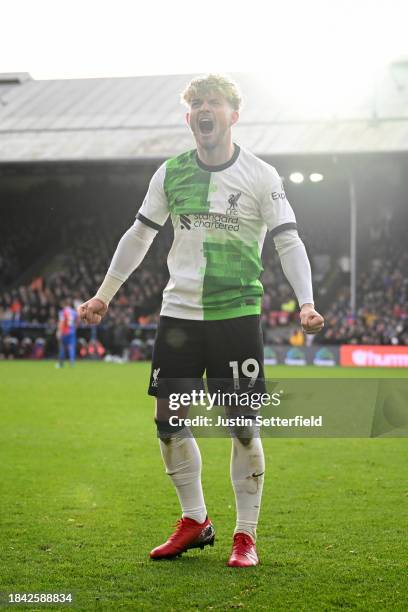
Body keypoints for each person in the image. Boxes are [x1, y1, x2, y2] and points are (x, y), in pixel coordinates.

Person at [77, 74, 324, 567]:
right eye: (196, 104)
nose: (204, 110)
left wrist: (306, 302)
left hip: (236, 315)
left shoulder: (261, 175)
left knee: (242, 427)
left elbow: (287, 241)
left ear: (234, 114)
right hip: (179, 316)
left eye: (214, 102)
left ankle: (245, 535)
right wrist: (104, 295)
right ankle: (195, 520)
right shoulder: (170, 173)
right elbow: (140, 235)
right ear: (188, 116)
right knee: (168, 422)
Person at [56, 299, 78, 367]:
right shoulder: (74, 312)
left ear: (63, 305)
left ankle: (61, 364)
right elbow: (77, 321)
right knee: (71, 347)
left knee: (62, 348)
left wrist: (59, 331)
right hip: (72, 332)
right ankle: (72, 363)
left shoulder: (62, 312)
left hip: (64, 332)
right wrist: (74, 328)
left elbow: (61, 322)